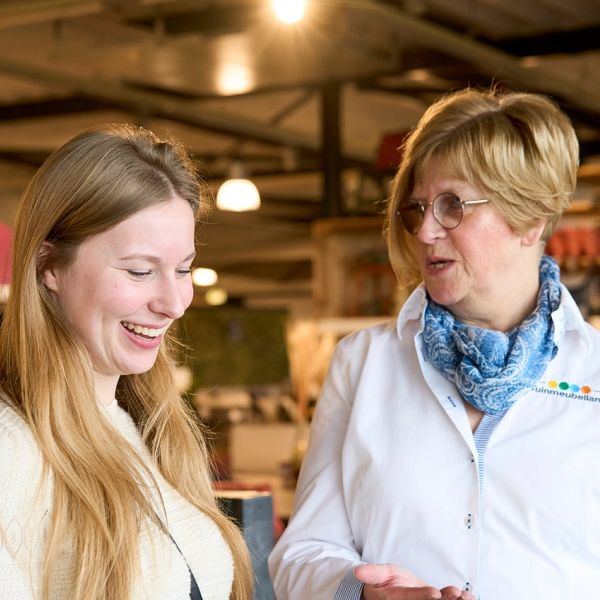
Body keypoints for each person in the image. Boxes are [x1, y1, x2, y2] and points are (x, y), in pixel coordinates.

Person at [269, 87, 600, 600]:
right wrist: (359, 596)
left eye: (452, 206)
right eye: (417, 207)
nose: (424, 231)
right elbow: (302, 552)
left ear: (531, 218)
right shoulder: (363, 364)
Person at [0, 124, 253, 600]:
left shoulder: (148, 426)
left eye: (183, 269)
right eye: (141, 271)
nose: (175, 303)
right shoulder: (11, 452)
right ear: (49, 266)